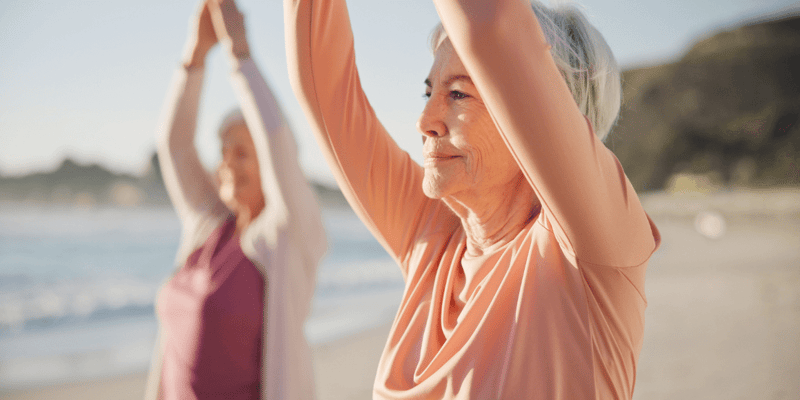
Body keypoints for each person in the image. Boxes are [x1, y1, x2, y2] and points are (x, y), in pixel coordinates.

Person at [285, 0, 660, 398]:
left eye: (459, 94)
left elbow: (491, 25)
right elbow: (323, 85)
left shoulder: (591, 248)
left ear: (537, 109)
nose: (425, 121)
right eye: (428, 91)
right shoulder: (431, 239)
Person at [144, 0, 326, 398]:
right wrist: (194, 56)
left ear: (271, 167)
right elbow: (173, 146)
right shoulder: (208, 226)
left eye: (241, 152)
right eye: (223, 150)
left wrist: (240, 54)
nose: (226, 163)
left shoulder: (284, 239)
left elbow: (277, 141)